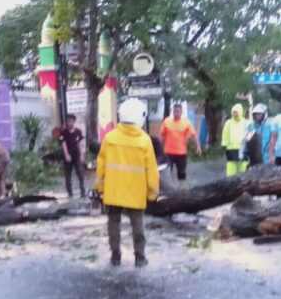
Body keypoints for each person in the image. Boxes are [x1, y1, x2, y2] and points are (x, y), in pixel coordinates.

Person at [95, 98, 160, 267]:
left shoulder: (110, 138)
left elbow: (100, 167)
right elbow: (151, 170)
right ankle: (139, 257)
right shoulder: (145, 140)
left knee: (113, 224)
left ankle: (115, 257)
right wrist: (152, 193)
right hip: (135, 192)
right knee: (138, 225)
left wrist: (99, 188)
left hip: (114, 191)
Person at [160, 103, 202, 185]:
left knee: (181, 173)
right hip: (168, 153)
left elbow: (193, 135)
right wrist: (160, 149)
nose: (176, 113)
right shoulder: (167, 121)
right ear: (173, 112)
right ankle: (168, 190)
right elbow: (162, 136)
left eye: (178, 111)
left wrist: (198, 146)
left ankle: (182, 190)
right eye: (175, 111)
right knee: (167, 173)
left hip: (181, 153)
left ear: (181, 112)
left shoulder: (186, 122)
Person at [59, 114, 86, 198]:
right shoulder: (63, 132)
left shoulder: (78, 131)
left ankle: (83, 191)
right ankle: (70, 193)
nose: (69, 123)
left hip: (76, 155)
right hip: (67, 157)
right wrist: (66, 155)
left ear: (74, 122)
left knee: (80, 174)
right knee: (68, 175)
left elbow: (80, 143)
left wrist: (82, 154)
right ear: (66, 122)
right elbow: (63, 144)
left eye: (71, 121)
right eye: (68, 121)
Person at [221, 103, 249, 176]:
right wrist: (224, 145)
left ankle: (244, 183)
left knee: (243, 168)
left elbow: (249, 135)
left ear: (240, 112)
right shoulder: (228, 123)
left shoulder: (246, 122)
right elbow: (225, 135)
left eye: (236, 112)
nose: (235, 114)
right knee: (231, 168)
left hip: (243, 149)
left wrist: (249, 146)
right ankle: (230, 183)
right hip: (231, 149)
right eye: (233, 112)